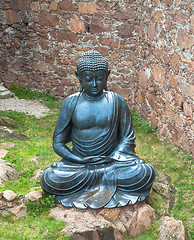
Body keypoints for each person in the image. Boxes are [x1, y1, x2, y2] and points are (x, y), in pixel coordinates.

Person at [40, 50, 156, 209]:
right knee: (50, 178)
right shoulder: (71, 103)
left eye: (99, 79)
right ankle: (102, 181)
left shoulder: (117, 101)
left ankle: (102, 180)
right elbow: (58, 143)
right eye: (88, 79)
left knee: (145, 172)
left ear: (107, 76)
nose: (94, 84)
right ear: (78, 77)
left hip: (113, 163)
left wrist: (114, 157)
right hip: (80, 165)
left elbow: (128, 138)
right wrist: (78, 160)